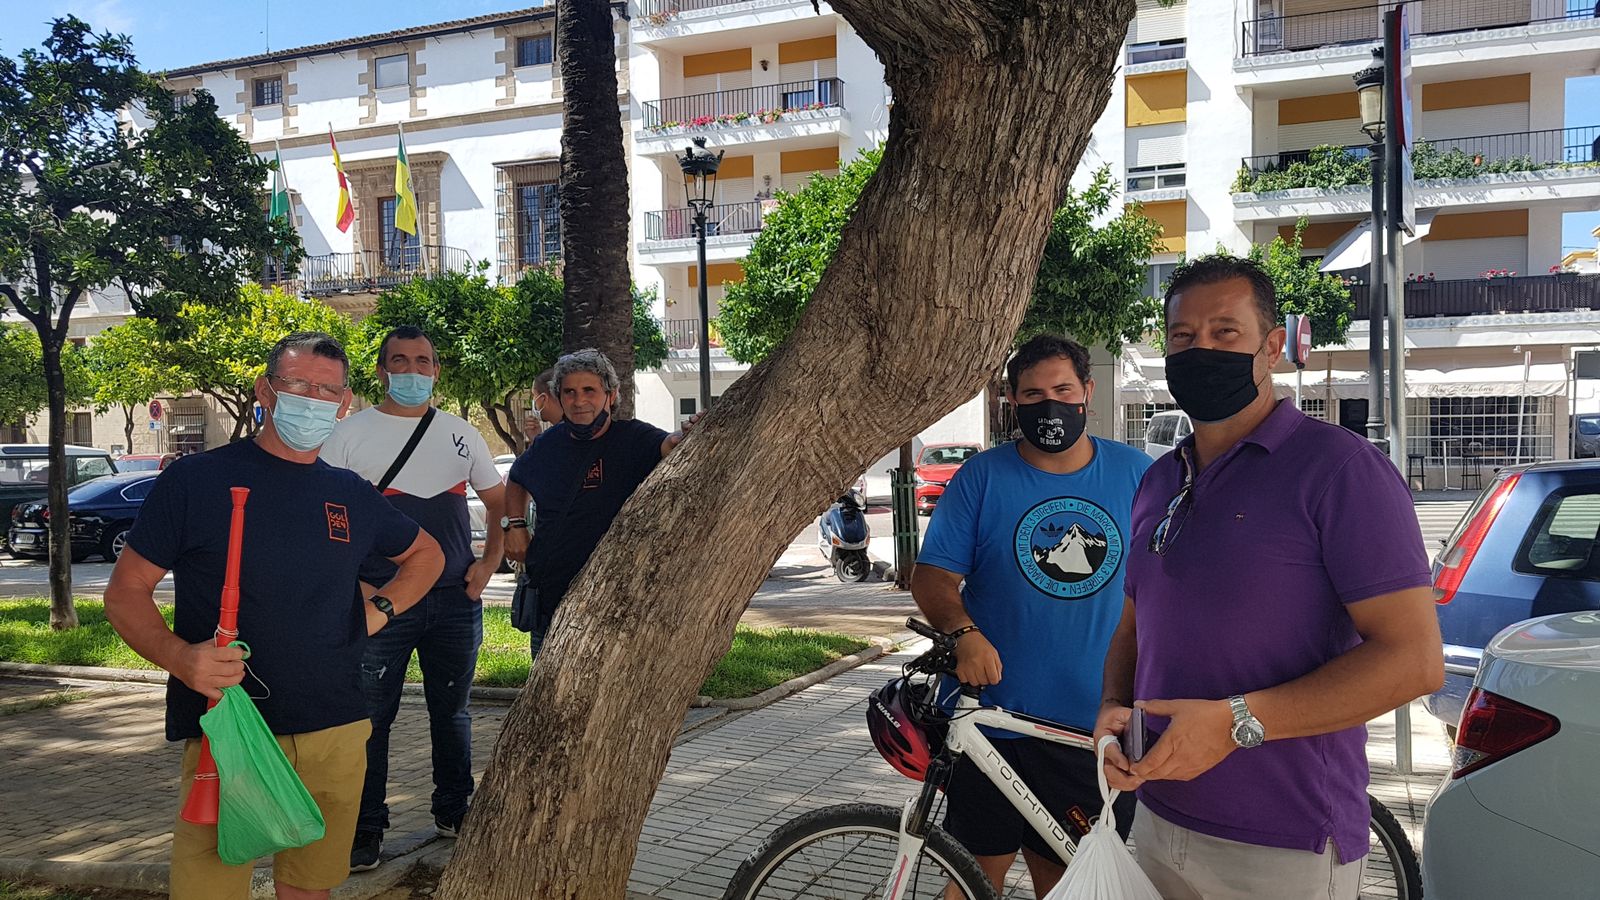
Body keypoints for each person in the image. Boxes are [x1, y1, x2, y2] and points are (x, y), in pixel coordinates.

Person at [1094, 255, 1444, 900]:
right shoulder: (1158, 479)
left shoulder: (1340, 470)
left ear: (1273, 348)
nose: (1200, 351)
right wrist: (1114, 706)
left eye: (1225, 333)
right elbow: (1138, 615)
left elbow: (1415, 661)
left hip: (1283, 840)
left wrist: (1234, 722)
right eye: (1182, 338)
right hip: (1155, 814)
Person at [104, 332, 444, 900]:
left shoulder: (350, 493)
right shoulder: (197, 481)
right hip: (229, 725)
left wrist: (379, 611)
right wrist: (181, 658)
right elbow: (125, 592)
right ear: (266, 389)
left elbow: (427, 554)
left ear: (344, 404)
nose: (313, 399)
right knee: (209, 889)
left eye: (327, 391)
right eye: (298, 385)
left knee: (311, 888)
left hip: (335, 724)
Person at [912, 334, 1151, 898]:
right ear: (1011, 402)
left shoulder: (1139, 477)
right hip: (991, 723)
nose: (1050, 405)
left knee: (1066, 885)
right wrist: (962, 631)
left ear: (1087, 392)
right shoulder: (981, 477)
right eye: (1033, 394)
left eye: (1063, 389)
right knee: (969, 882)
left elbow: (1173, 587)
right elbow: (933, 577)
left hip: (1091, 728)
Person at [317, 325, 506, 871]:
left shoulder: (461, 433)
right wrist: (356, 586)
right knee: (371, 719)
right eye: (399, 361)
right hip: (382, 606)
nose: (412, 371)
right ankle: (364, 830)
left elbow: (498, 504)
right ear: (380, 370)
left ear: (436, 371)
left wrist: (489, 564)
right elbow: (327, 520)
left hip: (454, 602)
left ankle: (455, 810)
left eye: (422, 361)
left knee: (454, 713)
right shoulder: (347, 435)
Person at [504, 349, 690, 653]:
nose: (579, 401)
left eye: (589, 390)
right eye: (570, 392)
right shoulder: (546, 446)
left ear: (611, 394)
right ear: (559, 398)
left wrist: (687, 434)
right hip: (549, 607)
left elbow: (669, 445)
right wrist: (513, 524)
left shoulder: (632, 438)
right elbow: (516, 478)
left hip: (610, 607)